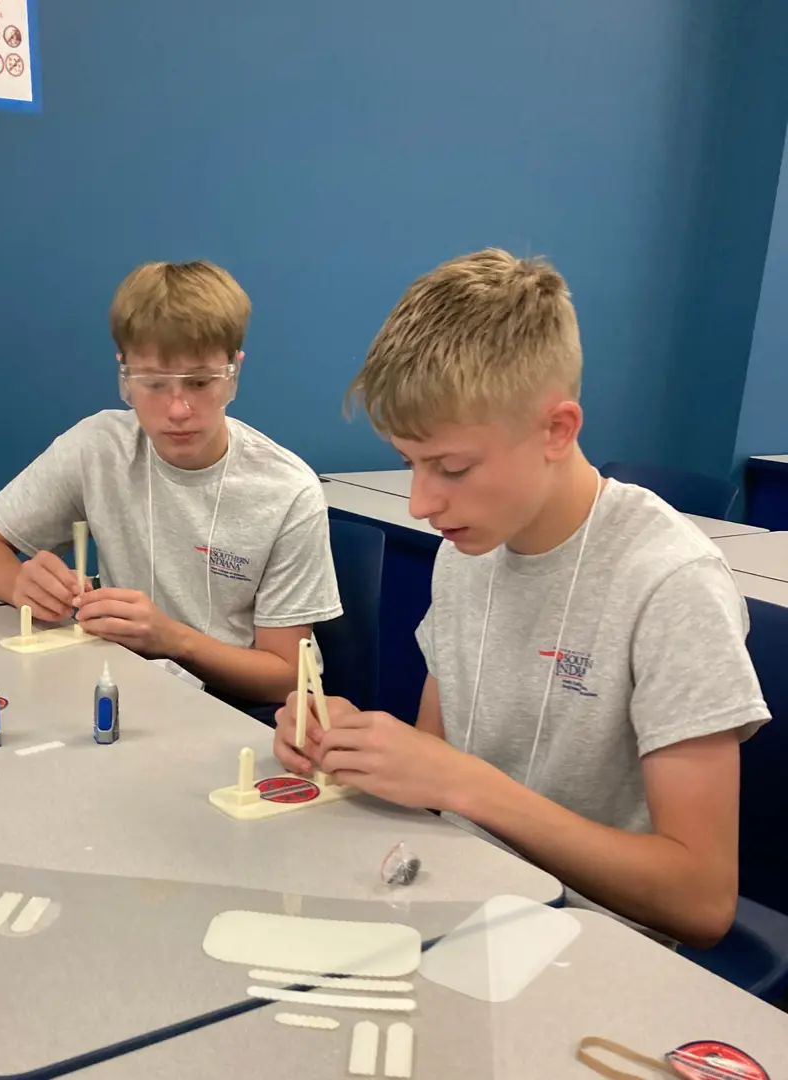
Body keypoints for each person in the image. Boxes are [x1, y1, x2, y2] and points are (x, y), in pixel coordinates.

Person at [273, 248, 769, 946]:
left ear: (557, 430)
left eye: (451, 467)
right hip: (459, 901)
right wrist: (358, 748)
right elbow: (436, 758)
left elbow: (700, 900)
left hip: (595, 946)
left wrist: (465, 785)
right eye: (411, 464)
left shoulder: (670, 584)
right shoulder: (466, 550)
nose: (420, 503)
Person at [0, 260, 341, 723]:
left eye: (200, 382)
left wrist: (172, 639)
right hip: (122, 682)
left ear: (233, 372)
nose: (178, 410)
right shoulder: (98, 448)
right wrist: (19, 584)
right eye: (153, 383)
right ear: (125, 376)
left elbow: (286, 677)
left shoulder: (286, 491)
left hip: (230, 709)